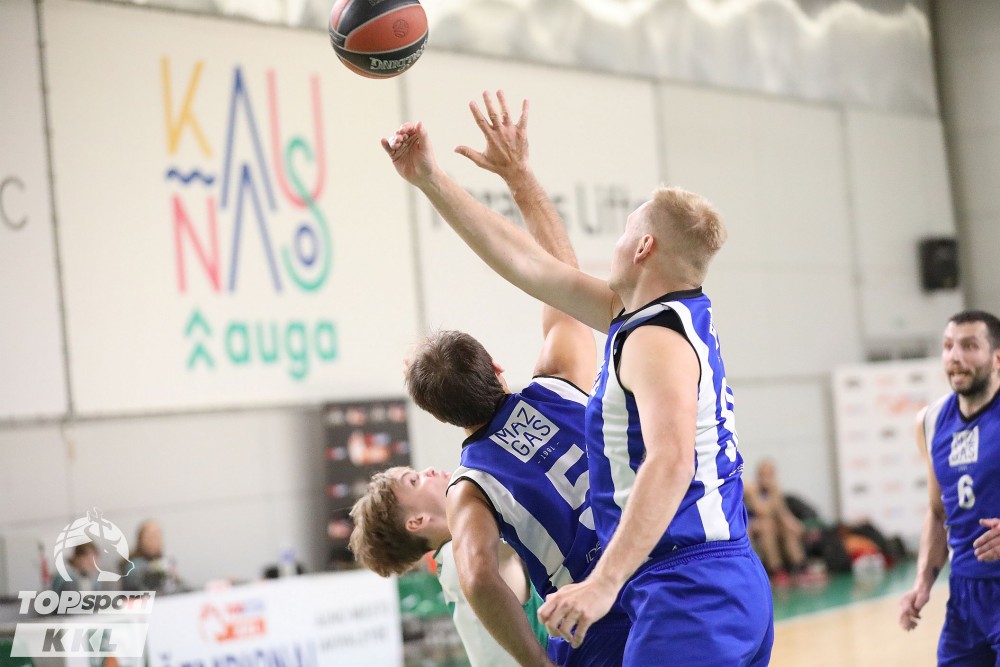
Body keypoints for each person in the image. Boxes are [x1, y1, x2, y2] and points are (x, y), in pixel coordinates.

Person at [381, 90, 772, 665]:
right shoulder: (636, 327)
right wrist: (437, 178)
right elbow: (532, 266)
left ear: (644, 248)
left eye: (623, 232)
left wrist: (602, 583)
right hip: (694, 576)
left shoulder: (650, 338)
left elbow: (671, 461)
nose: (612, 245)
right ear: (495, 368)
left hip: (678, 582)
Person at [350, 467, 548, 667]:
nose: (429, 471)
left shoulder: (454, 557)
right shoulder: (463, 555)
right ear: (418, 521)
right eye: (414, 480)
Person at [899, 310, 1000, 665]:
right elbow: (938, 510)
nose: (955, 356)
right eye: (948, 346)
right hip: (965, 595)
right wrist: (923, 583)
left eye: (969, 346)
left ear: (997, 357)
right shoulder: (930, 421)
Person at [745, 459, 825, 586]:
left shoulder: (775, 490)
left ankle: (800, 566)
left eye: (771, 474)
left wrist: (796, 526)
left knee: (787, 529)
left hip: (771, 524)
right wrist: (774, 494)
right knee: (767, 525)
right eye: (764, 475)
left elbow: (783, 513)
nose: (768, 479)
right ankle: (776, 569)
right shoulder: (752, 489)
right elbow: (762, 511)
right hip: (752, 525)